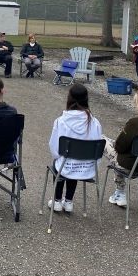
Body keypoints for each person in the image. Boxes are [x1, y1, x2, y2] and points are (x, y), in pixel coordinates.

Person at [47, 83, 103, 212]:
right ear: (86, 99)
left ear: (69, 98)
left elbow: (54, 148)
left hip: (66, 166)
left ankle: (56, 200)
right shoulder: (94, 123)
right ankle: (69, 201)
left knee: (61, 161)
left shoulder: (60, 121)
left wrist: (59, 157)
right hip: (88, 168)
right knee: (75, 159)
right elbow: (98, 147)